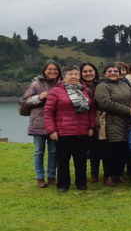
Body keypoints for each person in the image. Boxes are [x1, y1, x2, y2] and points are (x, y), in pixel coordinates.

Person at [44, 65, 96, 193]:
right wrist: (52, 130)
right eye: (70, 74)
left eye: (76, 74)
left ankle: (81, 182)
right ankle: (63, 184)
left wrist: (91, 126)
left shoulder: (85, 91)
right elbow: (48, 113)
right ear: (64, 76)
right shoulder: (56, 91)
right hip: (63, 132)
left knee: (81, 159)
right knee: (63, 160)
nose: (74, 76)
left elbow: (91, 111)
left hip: (82, 131)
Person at [95, 63, 131, 186]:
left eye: (115, 71)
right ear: (105, 73)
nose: (113, 73)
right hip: (111, 122)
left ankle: (119, 174)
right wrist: (127, 110)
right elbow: (105, 103)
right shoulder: (102, 86)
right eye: (110, 71)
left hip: (127, 123)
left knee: (122, 149)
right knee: (110, 150)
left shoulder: (125, 85)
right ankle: (108, 175)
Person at [20, 60, 61, 188]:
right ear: (44, 70)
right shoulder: (35, 84)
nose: (52, 71)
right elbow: (24, 101)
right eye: (49, 69)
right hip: (38, 123)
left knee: (54, 151)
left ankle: (51, 176)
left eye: (55, 69)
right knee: (39, 151)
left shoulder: (61, 84)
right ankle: (40, 178)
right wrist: (38, 97)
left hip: (55, 123)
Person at [79, 62, 102, 182]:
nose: (88, 73)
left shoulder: (101, 84)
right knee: (81, 150)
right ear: (81, 73)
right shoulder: (77, 86)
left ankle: (94, 175)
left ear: (95, 71)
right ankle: (81, 175)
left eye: (90, 71)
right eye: (85, 71)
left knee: (95, 150)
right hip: (82, 121)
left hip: (99, 121)